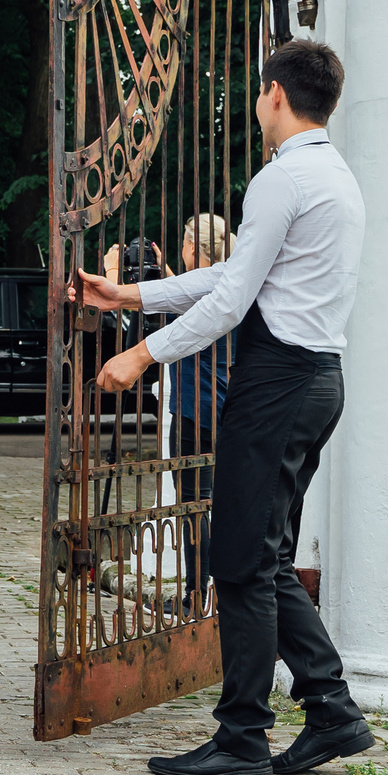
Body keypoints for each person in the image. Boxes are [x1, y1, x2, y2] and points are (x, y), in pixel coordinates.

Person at [74, 40, 371, 775]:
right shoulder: (334, 176)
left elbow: (233, 301)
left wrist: (142, 354)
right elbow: (238, 272)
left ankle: (243, 736)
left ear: (274, 93)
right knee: (263, 555)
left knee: (237, 558)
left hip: (276, 383)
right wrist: (131, 295)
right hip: (318, 379)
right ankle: (331, 711)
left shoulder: (282, 179)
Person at [164, 215, 236, 601]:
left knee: (194, 507)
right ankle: (221, 592)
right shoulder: (231, 285)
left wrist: (112, 272)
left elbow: (172, 316)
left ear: (193, 246)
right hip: (229, 408)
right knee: (222, 503)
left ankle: (196, 593)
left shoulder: (198, 293)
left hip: (194, 412)